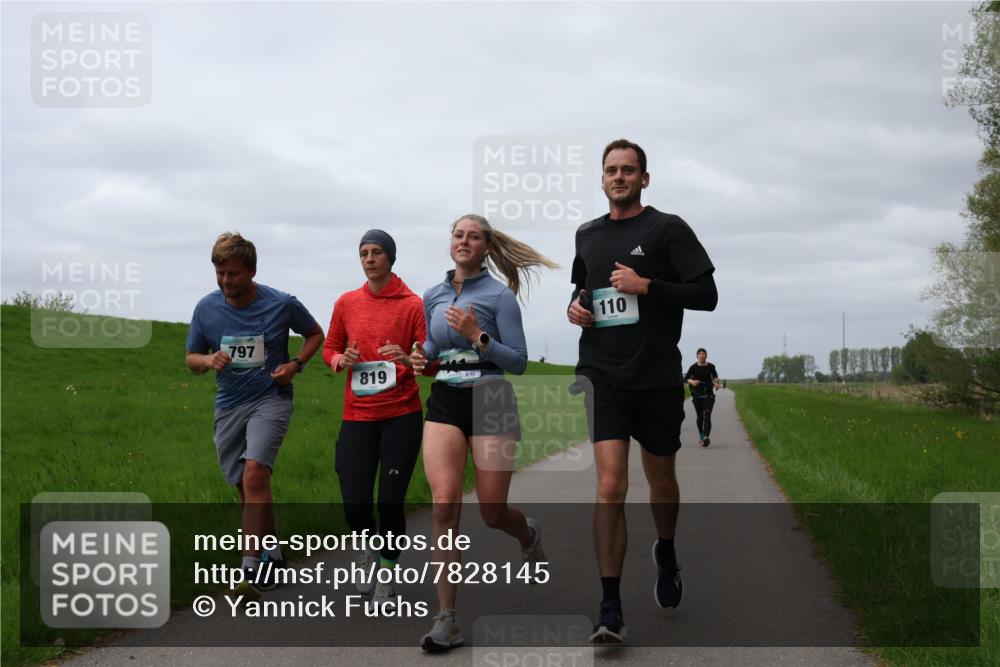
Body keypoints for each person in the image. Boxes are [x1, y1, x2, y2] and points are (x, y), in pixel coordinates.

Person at [567, 139, 717, 643]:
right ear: (602, 177)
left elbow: (707, 295)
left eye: (629, 170)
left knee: (662, 481)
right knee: (610, 485)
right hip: (602, 374)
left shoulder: (667, 229)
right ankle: (610, 608)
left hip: (654, 376)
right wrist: (576, 308)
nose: (619, 176)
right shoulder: (586, 234)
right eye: (611, 170)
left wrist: (647, 285)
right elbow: (582, 290)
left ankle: (667, 551)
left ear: (644, 179)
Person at [410, 213, 558, 651]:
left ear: (486, 248)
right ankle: (448, 618)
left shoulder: (500, 296)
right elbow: (434, 345)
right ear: (451, 242)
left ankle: (527, 535)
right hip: (444, 399)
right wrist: (421, 356)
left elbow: (519, 361)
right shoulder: (432, 294)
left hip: (491, 395)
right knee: (443, 506)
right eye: (458, 235)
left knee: (493, 512)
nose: (464, 242)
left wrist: (478, 336)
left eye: (474, 237)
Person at [186, 232, 324, 597]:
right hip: (229, 403)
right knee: (246, 488)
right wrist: (208, 359)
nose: (225, 281)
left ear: (251, 271)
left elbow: (314, 334)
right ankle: (274, 553)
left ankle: (249, 569)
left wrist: (296, 364)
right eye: (219, 272)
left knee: (255, 475)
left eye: (232, 273)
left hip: (272, 398)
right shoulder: (206, 308)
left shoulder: (281, 303)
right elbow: (191, 359)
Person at [322, 229, 426, 610]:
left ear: (390, 258)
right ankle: (367, 549)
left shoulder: (413, 305)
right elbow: (331, 347)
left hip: (401, 415)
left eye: (377, 252)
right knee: (355, 505)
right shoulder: (346, 303)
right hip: (358, 416)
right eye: (364, 252)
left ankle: (387, 572)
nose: (369, 258)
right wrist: (338, 361)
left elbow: (426, 360)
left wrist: (407, 358)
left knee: (391, 502)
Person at [685, 348, 720, 447]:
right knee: (700, 418)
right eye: (699, 354)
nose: (702, 356)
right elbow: (686, 378)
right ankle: (701, 433)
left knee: (707, 414)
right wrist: (692, 382)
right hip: (697, 395)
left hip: (708, 394)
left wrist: (717, 383)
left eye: (703, 354)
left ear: (706, 356)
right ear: (697, 356)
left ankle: (706, 437)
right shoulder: (693, 367)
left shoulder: (711, 366)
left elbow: (715, 376)